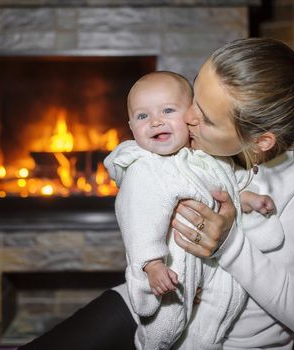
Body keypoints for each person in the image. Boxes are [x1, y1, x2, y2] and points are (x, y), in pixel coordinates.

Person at [18, 37, 294, 350]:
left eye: (207, 119)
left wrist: (229, 246)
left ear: (261, 142)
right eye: (195, 95)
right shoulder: (188, 141)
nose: (187, 116)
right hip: (153, 311)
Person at [103, 71, 280, 350]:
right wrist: (152, 264)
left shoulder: (204, 158)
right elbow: (137, 220)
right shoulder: (145, 169)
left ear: (191, 116)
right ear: (131, 127)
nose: (155, 121)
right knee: (166, 323)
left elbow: (222, 189)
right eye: (142, 116)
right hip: (174, 266)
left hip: (214, 263)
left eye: (168, 110)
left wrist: (248, 200)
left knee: (225, 304)